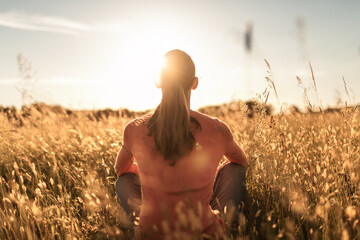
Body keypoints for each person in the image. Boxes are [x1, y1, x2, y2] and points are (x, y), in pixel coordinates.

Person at [114, 49, 248, 239]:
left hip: (151, 234)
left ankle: (136, 228)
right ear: (194, 83)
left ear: (158, 81)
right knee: (235, 169)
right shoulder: (217, 128)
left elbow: (120, 170)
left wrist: (137, 169)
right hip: (205, 234)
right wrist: (207, 176)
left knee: (124, 180)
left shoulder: (134, 128)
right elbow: (242, 161)